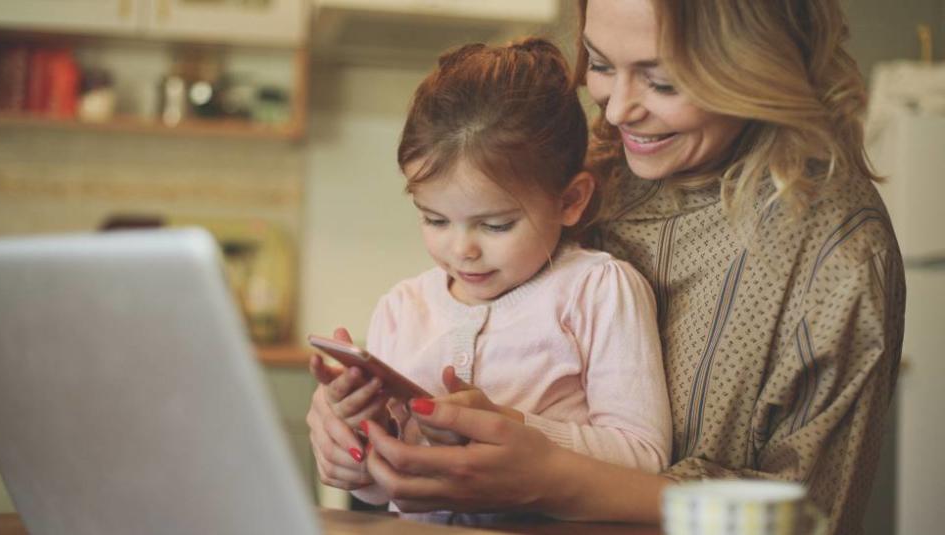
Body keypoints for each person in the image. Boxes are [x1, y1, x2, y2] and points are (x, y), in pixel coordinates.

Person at [306, 1, 907, 534]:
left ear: (759, 62)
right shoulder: (596, 169)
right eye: (598, 63)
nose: (617, 111)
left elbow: (806, 521)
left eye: (662, 80)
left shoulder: (839, 256)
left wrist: (554, 477)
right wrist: (347, 431)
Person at [306, 38, 673, 515]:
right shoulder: (401, 308)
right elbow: (382, 492)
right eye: (434, 220)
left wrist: (511, 427)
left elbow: (643, 459)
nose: (462, 250)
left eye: (496, 225)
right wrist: (359, 450)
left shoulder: (598, 290)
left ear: (570, 201)